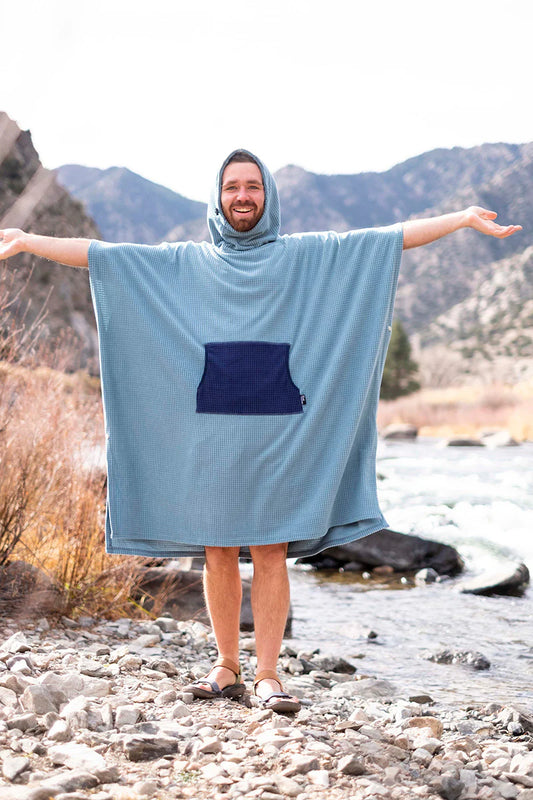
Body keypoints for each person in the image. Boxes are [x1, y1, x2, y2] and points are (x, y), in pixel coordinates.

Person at [0, 149, 521, 713]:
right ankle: (226, 668)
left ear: (267, 195)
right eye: (232, 187)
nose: (242, 196)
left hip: (280, 431)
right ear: (218, 198)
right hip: (211, 431)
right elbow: (103, 257)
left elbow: (385, 240)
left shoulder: (303, 255)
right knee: (218, 548)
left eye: (252, 186)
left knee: (271, 548)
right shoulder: (185, 261)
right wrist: (28, 240)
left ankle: (269, 674)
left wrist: (461, 220)